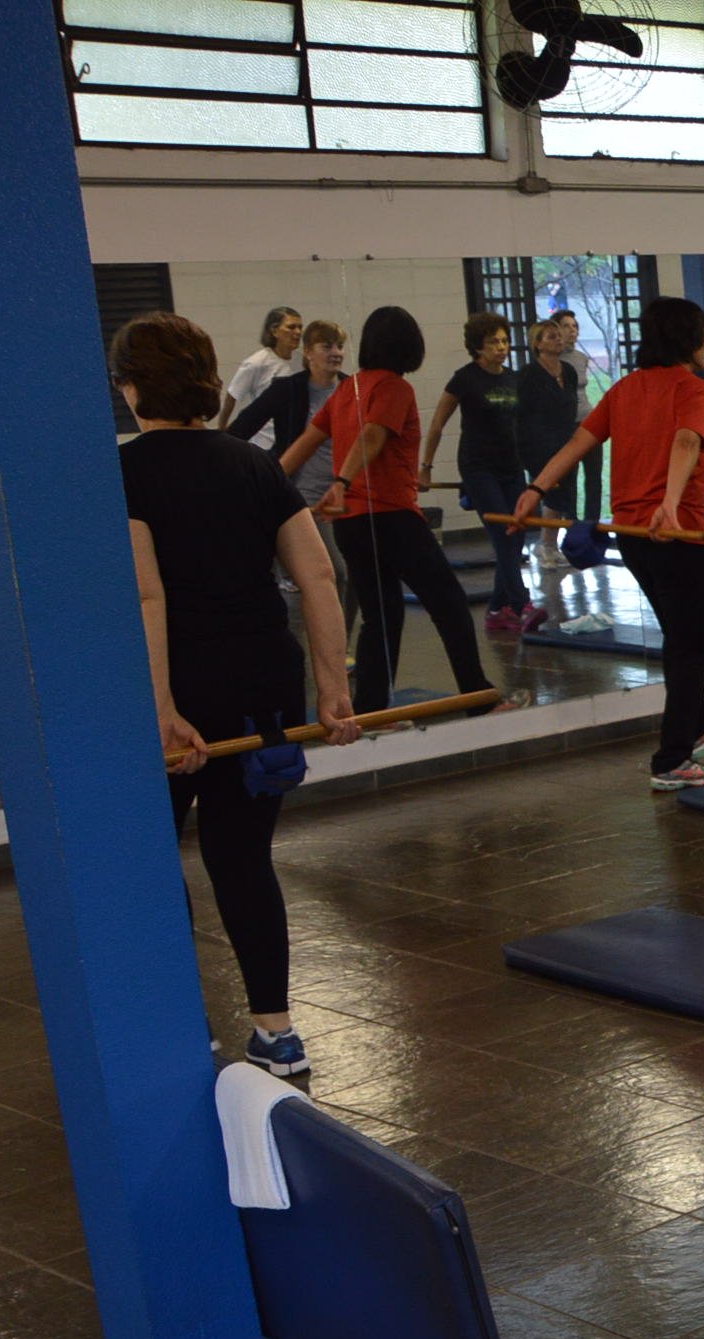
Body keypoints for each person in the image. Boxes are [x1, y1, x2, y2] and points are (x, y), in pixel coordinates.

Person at [114, 313, 361, 1077]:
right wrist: (331, 690)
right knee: (242, 858)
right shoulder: (255, 467)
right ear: (207, 380)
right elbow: (319, 577)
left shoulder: (124, 473)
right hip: (263, 680)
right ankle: (277, 1032)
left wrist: (158, 707)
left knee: (150, 861)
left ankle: (183, 1026)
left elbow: (148, 598)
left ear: (129, 390)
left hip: (184, 685)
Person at [515, 295, 704, 791]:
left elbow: (576, 444)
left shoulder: (626, 388)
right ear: (687, 340)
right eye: (703, 335)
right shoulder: (694, 389)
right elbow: (686, 442)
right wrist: (672, 502)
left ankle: (694, 725)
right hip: (675, 534)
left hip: (635, 537)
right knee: (690, 646)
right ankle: (673, 758)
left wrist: (535, 489)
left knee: (680, 638)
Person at [279, 305, 502, 716]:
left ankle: (370, 708)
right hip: (389, 517)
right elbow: (372, 434)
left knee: (382, 616)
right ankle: (477, 696)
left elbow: (305, 443)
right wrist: (342, 482)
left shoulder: (349, 389)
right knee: (449, 603)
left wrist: (270, 485)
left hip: (352, 523)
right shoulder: (395, 388)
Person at [227, 318, 357, 654]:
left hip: (347, 495)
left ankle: (341, 645)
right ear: (309, 352)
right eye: (327, 346)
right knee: (336, 571)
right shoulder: (289, 389)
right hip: (305, 498)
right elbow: (244, 425)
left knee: (353, 574)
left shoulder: (351, 389)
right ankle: (331, 647)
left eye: (339, 346)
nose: (336, 353)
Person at [422, 313, 546, 634]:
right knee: (504, 535)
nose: (501, 347)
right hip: (478, 468)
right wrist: (426, 467)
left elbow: (526, 427)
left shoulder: (514, 378)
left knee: (516, 535)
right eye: (493, 342)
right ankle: (521, 604)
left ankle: (496, 609)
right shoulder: (465, 379)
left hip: (511, 467)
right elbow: (436, 425)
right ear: (478, 346)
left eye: (504, 341)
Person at [519, 313, 590, 593]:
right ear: (537, 344)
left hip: (565, 440)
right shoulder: (529, 375)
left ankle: (549, 542)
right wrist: (534, 445)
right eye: (551, 337)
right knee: (553, 492)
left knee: (564, 495)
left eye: (559, 335)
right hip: (538, 443)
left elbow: (571, 405)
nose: (559, 340)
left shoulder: (568, 372)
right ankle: (546, 543)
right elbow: (524, 414)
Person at [218, 307, 301, 429]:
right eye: (291, 327)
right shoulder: (257, 362)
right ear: (274, 331)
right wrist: (222, 431)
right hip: (264, 441)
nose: (298, 332)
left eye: (300, 327)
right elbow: (231, 397)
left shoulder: (302, 361)